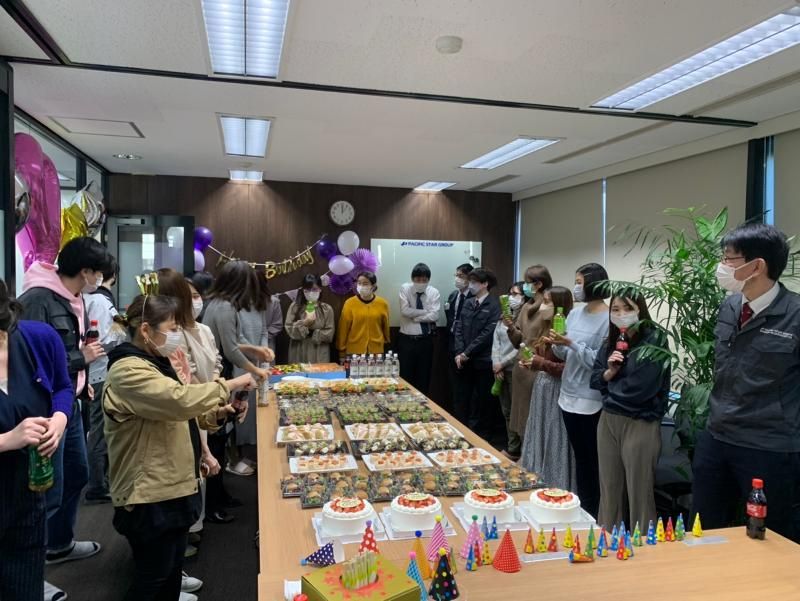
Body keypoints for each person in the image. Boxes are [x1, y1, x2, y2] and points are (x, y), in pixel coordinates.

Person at [104, 293, 254, 601]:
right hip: (148, 491)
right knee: (153, 577)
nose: (176, 336)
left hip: (173, 483)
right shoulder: (128, 370)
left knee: (170, 572)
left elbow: (182, 413)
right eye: (171, 329)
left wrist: (219, 413)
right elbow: (178, 401)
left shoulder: (156, 362)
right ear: (145, 330)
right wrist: (231, 384)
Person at [692, 223, 800, 542]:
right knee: (703, 527)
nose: (722, 266)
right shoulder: (730, 305)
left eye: (729, 259)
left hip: (768, 446)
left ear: (757, 266)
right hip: (717, 434)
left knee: (771, 536)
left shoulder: (794, 314)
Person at [18, 236, 113, 599]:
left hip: (69, 401)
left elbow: (67, 354)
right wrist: (80, 361)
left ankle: (59, 543)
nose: (99, 280)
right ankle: (29, 574)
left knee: (78, 474)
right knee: (46, 491)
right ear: (85, 271)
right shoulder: (38, 300)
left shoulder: (73, 298)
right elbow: (33, 360)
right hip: (45, 412)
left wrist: (80, 382)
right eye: (98, 273)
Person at [0, 280, 72, 601]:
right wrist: (6, 439)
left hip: (28, 493)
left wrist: (59, 419)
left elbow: (62, 387)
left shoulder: (37, 338)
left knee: (26, 587)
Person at [157, 268, 224, 567]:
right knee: (185, 473)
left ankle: (192, 529)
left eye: (197, 295)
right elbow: (187, 377)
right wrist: (215, 391)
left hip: (206, 402)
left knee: (201, 470)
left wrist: (217, 385)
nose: (196, 301)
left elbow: (216, 361)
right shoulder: (172, 336)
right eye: (190, 296)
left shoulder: (203, 329)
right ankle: (177, 545)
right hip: (190, 406)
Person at [590, 293, 670, 530]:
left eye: (627, 308)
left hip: (640, 421)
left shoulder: (655, 340)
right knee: (609, 491)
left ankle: (644, 544)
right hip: (609, 420)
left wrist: (608, 386)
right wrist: (609, 373)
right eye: (615, 309)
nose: (621, 314)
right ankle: (606, 540)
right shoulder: (611, 340)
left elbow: (641, 389)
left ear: (640, 309)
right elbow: (595, 378)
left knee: (640, 494)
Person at [202, 261, 272, 519]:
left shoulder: (224, 304)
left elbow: (237, 341)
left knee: (221, 436)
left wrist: (257, 350)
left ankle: (220, 494)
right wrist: (255, 371)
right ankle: (212, 505)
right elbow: (231, 349)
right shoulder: (224, 307)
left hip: (220, 373)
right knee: (216, 438)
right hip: (215, 375)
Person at [547, 262, 609, 517]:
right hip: (567, 395)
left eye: (579, 282)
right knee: (579, 458)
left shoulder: (608, 319)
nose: (575, 287)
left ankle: (594, 512)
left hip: (590, 400)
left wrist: (571, 343)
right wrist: (557, 344)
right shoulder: (574, 314)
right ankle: (582, 508)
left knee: (592, 461)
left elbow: (599, 362)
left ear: (593, 284)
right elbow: (566, 355)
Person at [518, 286, 576, 492]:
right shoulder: (546, 327)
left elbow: (569, 368)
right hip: (542, 389)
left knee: (554, 437)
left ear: (560, 305)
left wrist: (541, 363)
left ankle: (555, 485)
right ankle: (537, 480)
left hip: (557, 391)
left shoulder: (567, 331)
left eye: (547, 302)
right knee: (539, 434)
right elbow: (538, 357)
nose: (542, 306)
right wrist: (531, 362)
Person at [84, 259, 126, 504]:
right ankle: (97, 485)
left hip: (93, 372)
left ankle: (98, 481)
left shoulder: (89, 298)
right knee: (99, 431)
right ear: (114, 276)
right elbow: (102, 341)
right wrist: (122, 330)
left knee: (97, 428)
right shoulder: (100, 301)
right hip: (99, 372)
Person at [228, 267, 276, 476]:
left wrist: (263, 350)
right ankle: (237, 456)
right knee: (239, 407)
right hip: (240, 362)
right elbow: (236, 339)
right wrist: (255, 351)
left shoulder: (258, 304)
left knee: (255, 407)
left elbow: (264, 330)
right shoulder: (233, 306)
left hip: (258, 362)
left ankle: (253, 452)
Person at [506, 265, 553, 458]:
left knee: (533, 419)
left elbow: (550, 341)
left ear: (539, 284)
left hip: (535, 368)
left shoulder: (548, 307)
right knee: (519, 417)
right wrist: (510, 327)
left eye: (527, 282)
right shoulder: (526, 306)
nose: (525, 286)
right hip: (520, 367)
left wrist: (534, 357)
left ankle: (533, 460)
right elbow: (519, 340)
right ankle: (525, 457)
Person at [453, 268, 503, 441]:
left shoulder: (494, 305)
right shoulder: (468, 302)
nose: (470, 285)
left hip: (483, 360)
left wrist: (467, 352)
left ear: (485, 284)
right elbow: (459, 327)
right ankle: (463, 432)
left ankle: (482, 436)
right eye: (470, 282)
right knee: (463, 398)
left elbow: (488, 333)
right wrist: (460, 352)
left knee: (482, 400)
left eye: (474, 282)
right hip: (464, 360)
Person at [491, 282, 524, 458]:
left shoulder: (524, 317)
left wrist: (503, 363)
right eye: (510, 293)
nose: (512, 297)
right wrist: (496, 363)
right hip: (500, 368)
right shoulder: (504, 314)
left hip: (515, 368)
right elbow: (496, 340)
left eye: (516, 294)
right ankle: (513, 447)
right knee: (506, 411)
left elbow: (522, 346)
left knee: (517, 411)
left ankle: (520, 449)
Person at [398, 263, 441, 395]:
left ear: (428, 280)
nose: (421, 283)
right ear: (412, 279)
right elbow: (405, 311)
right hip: (406, 340)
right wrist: (425, 311)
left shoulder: (434, 292)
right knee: (405, 376)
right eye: (418, 279)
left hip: (425, 341)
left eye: (424, 280)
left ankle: (423, 403)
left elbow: (435, 315)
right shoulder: (405, 288)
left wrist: (416, 318)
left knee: (424, 377)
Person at [336, 271, 390, 356]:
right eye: (359, 283)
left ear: (373, 286)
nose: (361, 286)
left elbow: (385, 326)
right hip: (354, 351)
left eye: (365, 283)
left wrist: (386, 342)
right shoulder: (349, 303)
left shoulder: (382, 304)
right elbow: (343, 328)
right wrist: (341, 350)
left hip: (376, 350)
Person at [285, 274, 335, 363]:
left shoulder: (326, 309)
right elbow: (289, 329)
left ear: (320, 289)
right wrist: (305, 323)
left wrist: (312, 333)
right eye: (307, 290)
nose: (311, 292)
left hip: (318, 351)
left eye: (314, 289)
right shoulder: (295, 307)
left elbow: (329, 334)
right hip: (299, 349)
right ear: (303, 290)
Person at [445, 264, 474, 408]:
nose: (457, 279)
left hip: (467, 344)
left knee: (466, 383)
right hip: (452, 341)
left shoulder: (474, 297)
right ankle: (456, 411)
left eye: (461, 276)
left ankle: (465, 413)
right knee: (453, 381)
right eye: (456, 275)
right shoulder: (453, 295)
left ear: (470, 278)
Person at [254, 266, 283, 354]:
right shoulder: (242, 302)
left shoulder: (274, 302)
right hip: (246, 343)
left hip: (267, 344)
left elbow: (277, 325)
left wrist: (264, 336)